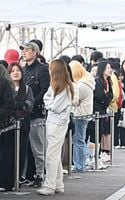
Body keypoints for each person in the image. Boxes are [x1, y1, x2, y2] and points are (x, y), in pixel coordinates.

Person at [37, 59, 74, 195]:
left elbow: (54, 106)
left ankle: (50, 185)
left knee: (51, 155)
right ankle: (58, 183)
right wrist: (50, 104)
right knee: (55, 154)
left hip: (56, 123)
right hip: (55, 122)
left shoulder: (64, 88)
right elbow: (47, 100)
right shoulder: (59, 86)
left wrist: (50, 104)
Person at [20, 41, 50, 187]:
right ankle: (28, 175)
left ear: (35, 52)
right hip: (24, 114)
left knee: (37, 147)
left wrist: (31, 104)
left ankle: (39, 175)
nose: (24, 52)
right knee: (26, 148)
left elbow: (45, 90)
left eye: (27, 50)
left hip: (36, 113)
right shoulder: (23, 70)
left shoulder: (42, 69)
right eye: (23, 50)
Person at [7, 63, 34, 184]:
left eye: (18, 70)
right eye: (12, 71)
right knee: (8, 151)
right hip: (7, 124)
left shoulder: (27, 88)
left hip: (23, 123)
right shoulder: (6, 88)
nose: (16, 73)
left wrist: (23, 107)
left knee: (22, 150)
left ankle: (18, 178)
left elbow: (30, 103)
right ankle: (7, 179)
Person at [69, 60, 95, 172]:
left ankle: (79, 165)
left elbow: (74, 100)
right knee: (81, 139)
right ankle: (81, 164)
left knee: (78, 140)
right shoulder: (88, 81)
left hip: (79, 114)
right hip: (85, 113)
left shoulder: (81, 85)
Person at [94, 58, 113, 159]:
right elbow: (100, 96)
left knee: (101, 133)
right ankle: (95, 156)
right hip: (97, 110)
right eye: (108, 68)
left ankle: (98, 155)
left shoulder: (109, 82)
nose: (110, 70)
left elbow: (111, 96)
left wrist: (106, 97)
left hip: (103, 110)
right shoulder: (97, 81)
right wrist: (106, 97)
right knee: (97, 134)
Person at [0, 73, 15, 191]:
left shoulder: (3, 82)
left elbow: (8, 104)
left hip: (2, 125)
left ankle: (4, 182)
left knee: (4, 154)